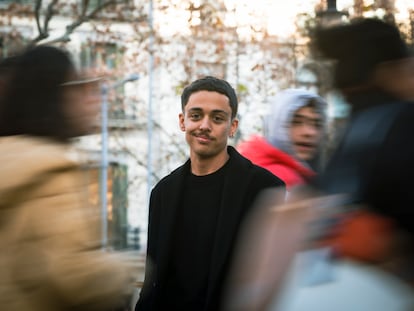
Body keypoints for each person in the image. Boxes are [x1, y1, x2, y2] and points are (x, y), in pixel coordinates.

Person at [222, 18, 414, 311]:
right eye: (297, 122)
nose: (309, 133)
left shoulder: (356, 132)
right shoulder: (395, 123)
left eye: (315, 123)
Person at [0, 45, 135, 311]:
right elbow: (75, 278)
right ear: (54, 96)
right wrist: (126, 269)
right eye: (77, 87)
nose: (93, 99)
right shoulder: (51, 171)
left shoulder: (12, 160)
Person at [135, 76, 286, 311]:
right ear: (182, 121)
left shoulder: (265, 189)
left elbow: (269, 280)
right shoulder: (163, 192)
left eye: (217, 118)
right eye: (196, 116)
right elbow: (153, 276)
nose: (205, 125)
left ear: (232, 126)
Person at [237, 88, 327, 191]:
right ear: (277, 125)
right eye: (296, 122)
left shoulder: (252, 164)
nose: (310, 132)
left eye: (317, 124)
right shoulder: (284, 179)